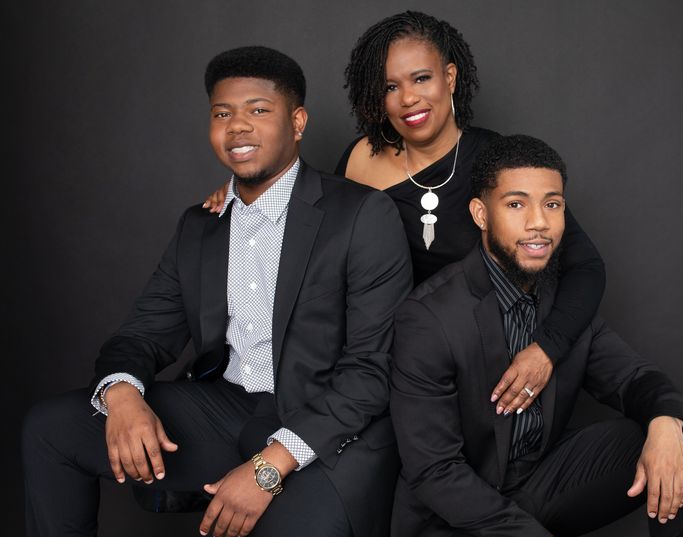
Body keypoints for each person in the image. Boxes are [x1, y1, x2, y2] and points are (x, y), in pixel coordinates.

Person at [21, 45, 412, 537]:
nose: (238, 127)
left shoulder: (361, 215)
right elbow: (142, 333)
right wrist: (122, 394)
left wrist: (268, 467)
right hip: (227, 409)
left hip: (327, 440)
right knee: (51, 428)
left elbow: (370, 373)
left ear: (298, 122)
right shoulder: (201, 225)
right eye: (223, 113)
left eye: (258, 110)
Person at [386, 133, 683, 537]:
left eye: (552, 204)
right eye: (516, 204)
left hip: (538, 484)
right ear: (479, 213)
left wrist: (665, 423)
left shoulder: (563, 305)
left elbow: (636, 378)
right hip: (452, 521)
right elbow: (434, 472)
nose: (539, 222)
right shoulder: (429, 318)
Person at [203, 11, 606, 420]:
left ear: (450, 78)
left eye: (421, 79)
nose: (407, 99)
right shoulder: (361, 158)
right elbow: (307, 227)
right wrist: (244, 191)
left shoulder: (497, 163)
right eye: (390, 87)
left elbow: (586, 266)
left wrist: (546, 349)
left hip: (481, 361)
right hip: (382, 366)